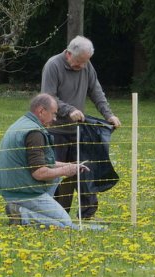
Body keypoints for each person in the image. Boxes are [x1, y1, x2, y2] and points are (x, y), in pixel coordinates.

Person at [41, 35, 121, 220]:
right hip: (56, 132)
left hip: (79, 131)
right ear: (68, 54)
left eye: (86, 62)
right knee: (58, 176)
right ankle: (57, 216)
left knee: (85, 172)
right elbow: (48, 98)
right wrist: (69, 110)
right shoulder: (53, 66)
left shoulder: (86, 65)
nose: (83, 66)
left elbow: (96, 91)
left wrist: (108, 115)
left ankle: (87, 216)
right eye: (79, 62)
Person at [0, 93, 89, 229]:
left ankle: (26, 210)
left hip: (13, 187)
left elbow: (43, 163)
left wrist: (70, 165)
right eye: (54, 114)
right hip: (23, 193)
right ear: (41, 111)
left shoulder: (23, 123)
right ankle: (23, 214)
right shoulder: (34, 133)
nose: (55, 119)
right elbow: (39, 173)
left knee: (55, 176)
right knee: (66, 225)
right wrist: (65, 171)